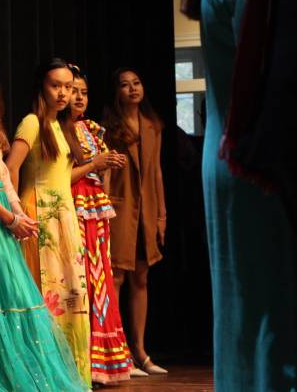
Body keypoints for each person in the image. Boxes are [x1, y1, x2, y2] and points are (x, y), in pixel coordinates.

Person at [181, 0, 297, 389]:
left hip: (228, 155)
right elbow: (272, 75)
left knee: (243, 307)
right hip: (253, 157)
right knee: (272, 311)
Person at [0, 48, 87, 392]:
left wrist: (14, 212)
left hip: (7, 211)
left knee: (18, 294)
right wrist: (9, 215)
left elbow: (1, 172)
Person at [4, 58, 91, 385]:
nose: (64, 93)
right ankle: (43, 372)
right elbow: (10, 167)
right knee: (46, 293)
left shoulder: (64, 126)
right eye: (57, 85)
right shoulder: (31, 122)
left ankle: (71, 373)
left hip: (64, 216)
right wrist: (16, 214)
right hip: (38, 214)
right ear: (42, 85)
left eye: (68, 87)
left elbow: (63, 177)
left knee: (70, 293)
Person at [68, 67, 134, 384]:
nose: (78, 98)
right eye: (73, 91)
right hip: (74, 205)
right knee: (82, 281)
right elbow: (60, 175)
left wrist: (106, 165)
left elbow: (99, 173)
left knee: (101, 280)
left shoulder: (91, 128)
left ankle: (104, 363)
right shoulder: (58, 129)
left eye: (83, 92)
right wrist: (96, 163)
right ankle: (81, 361)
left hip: (97, 207)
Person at [102, 68, 167, 375]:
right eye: (125, 85)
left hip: (147, 211)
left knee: (142, 278)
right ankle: (116, 351)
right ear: (116, 92)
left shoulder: (153, 125)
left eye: (137, 83)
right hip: (120, 208)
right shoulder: (109, 127)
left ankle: (140, 350)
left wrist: (161, 215)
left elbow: (156, 173)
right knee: (116, 278)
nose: (132, 89)